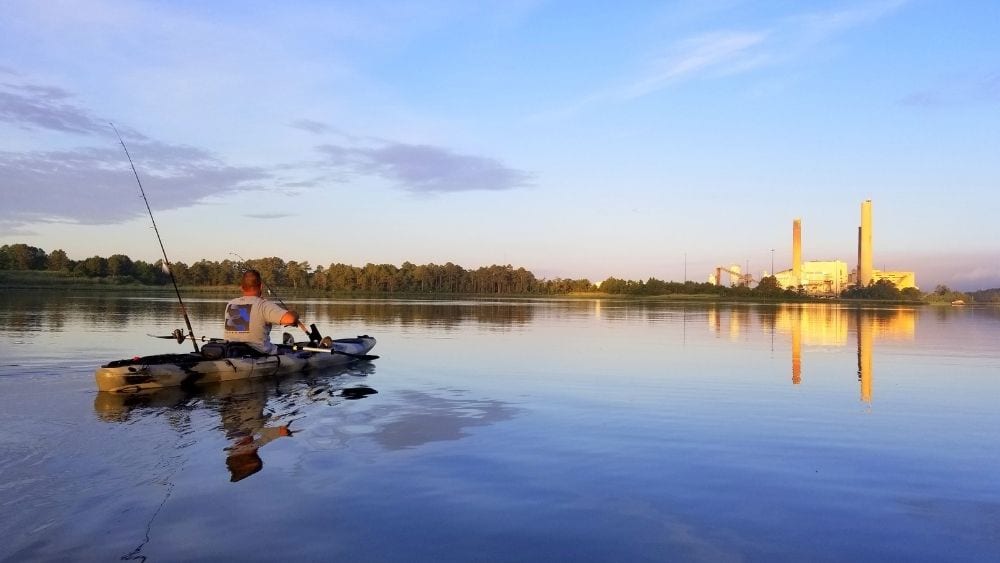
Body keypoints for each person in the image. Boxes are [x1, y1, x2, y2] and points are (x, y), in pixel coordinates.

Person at [224, 269, 300, 354]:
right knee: (296, 352)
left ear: (241, 287)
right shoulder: (263, 305)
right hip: (258, 353)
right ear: (261, 286)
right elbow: (291, 319)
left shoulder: (230, 304)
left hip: (232, 351)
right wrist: (294, 314)